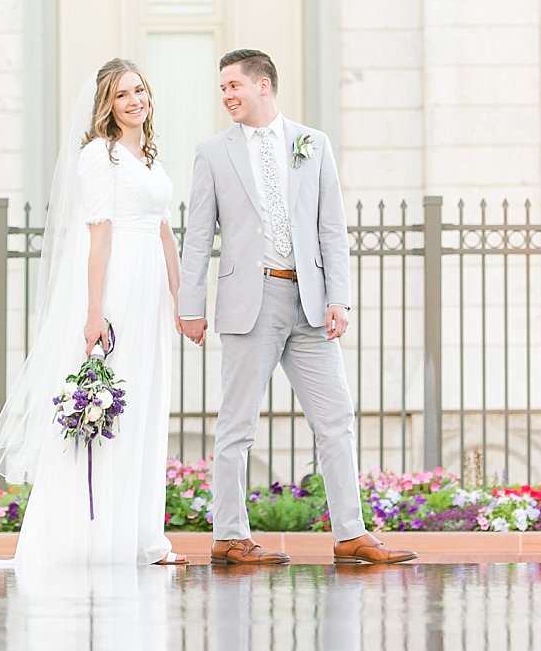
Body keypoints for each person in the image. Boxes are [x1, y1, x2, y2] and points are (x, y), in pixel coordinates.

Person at [176, 49, 415, 566]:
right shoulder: (212, 153)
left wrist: (339, 298)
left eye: (234, 86)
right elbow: (197, 237)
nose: (227, 96)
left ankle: (351, 533)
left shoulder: (313, 144)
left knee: (336, 419)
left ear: (264, 85)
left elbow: (333, 228)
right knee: (236, 425)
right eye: (222, 89)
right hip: (248, 302)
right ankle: (230, 536)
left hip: (308, 303)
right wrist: (190, 306)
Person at [0, 59, 185, 567]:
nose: (134, 100)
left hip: (151, 291)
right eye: (122, 95)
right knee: (111, 407)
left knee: (145, 407)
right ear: (107, 105)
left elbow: (164, 231)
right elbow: (99, 236)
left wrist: (184, 298)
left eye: (139, 90)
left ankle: (144, 536)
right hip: (118, 284)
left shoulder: (148, 158)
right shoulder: (101, 156)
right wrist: (94, 311)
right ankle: (95, 537)